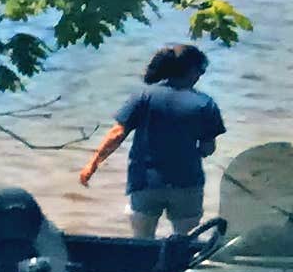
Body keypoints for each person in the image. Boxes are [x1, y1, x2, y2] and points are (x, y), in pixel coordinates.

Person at [81, 45, 227, 240]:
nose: (200, 75)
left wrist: (92, 165)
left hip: (145, 183)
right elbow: (208, 148)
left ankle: (144, 269)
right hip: (187, 184)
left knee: (141, 241)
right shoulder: (205, 103)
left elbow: (117, 134)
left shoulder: (143, 96)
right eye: (201, 70)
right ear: (192, 71)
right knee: (185, 242)